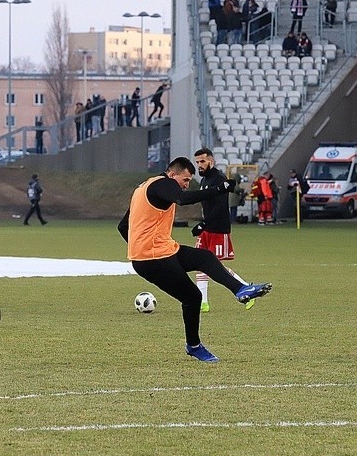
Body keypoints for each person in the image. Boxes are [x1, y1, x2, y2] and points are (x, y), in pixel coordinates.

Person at [117, 157, 272, 362]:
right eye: (186, 180)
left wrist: (137, 248)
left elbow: (122, 226)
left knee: (204, 257)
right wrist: (219, 189)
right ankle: (194, 346)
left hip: (160, 251)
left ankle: (240, 289)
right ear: (172, 174)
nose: (186, 184)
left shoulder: (142, 189)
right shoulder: (163, 183)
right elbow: (182, 198)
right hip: (154, 257)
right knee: (192, 297)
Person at [192, 149, 255, 313]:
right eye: (197, 162)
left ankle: (246, 287)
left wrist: (204, 223)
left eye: (202, 161)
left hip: (218, 229)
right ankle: (203, 302)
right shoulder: (204, 180)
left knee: (216, 268)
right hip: (206, 229)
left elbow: (220, 207)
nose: (199, 165)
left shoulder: (219, 178)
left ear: (211, 161)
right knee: (200, 265)